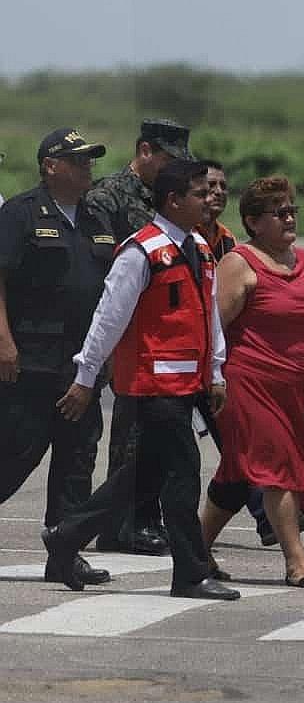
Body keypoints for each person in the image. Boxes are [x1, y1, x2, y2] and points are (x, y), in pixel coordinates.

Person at [41, 159, 239, 600]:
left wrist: (216, 372)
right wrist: (86, 375)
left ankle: (67, 534)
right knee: (183, 475)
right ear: (173, 200)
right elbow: (108, 318)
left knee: (141, 477)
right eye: (199, 193)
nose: (209, 200)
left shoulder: (200, 249)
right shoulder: (141, 252)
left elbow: (209, 317)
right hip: (153, 387)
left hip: (188, 385)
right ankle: (190, 574)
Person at [199, 176, 304, 587]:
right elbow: (213, 329)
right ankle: (296, 561)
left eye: (292, 210)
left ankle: (195, 550)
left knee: (236, 476)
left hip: (291, 390)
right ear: (254, 222)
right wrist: (212, 380)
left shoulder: (302, 261)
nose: (290, 218)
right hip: (247, 385)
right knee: (277, 467)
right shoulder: (239, 263)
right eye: (280, 213)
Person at [0, 129, 113, 586]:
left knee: (77, 461)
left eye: (89, 160)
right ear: (50, 166)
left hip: (82, 365)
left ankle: (65, 553)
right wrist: (3, 342)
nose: (88, 168)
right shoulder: (20, 213)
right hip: (30, 362)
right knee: (13, 456)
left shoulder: (96, 216)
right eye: (78, 160)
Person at [84, 118, 195, 556]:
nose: (174, 169)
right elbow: (105, 274)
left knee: (155, 438)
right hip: (122, 333)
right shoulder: (107, 197)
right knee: (127, 437)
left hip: (160, 337)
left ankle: (142, 520)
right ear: (145, 151)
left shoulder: (170, 198)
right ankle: (119, 525)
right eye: (167, 159)